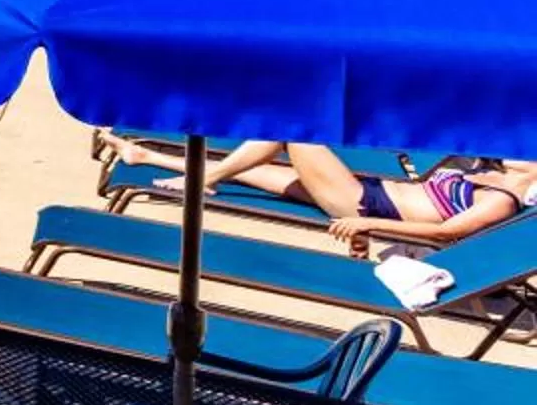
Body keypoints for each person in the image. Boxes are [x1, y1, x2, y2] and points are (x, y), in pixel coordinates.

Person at [156, 141, 537, 254]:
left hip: (363, 204)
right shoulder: (490, 172)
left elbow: (446, 234)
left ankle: (206, 176)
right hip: (368, 192)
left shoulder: (501, 199)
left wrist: (365, 224)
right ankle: (146, 155)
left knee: (294, 133)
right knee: (260, 174)